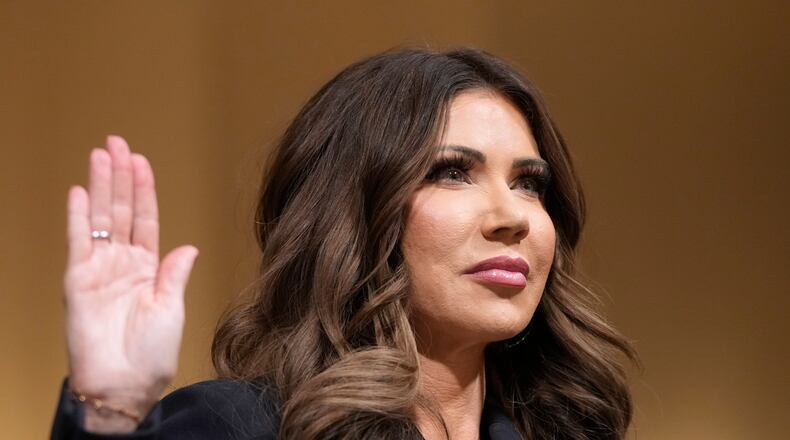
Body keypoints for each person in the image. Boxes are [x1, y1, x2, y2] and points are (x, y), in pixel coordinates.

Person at [51, 47, 636, 440]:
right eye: (452, 172)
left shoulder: (572, 430)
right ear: (353, 212)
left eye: (529, 184)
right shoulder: (238, 425)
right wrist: (109, 410)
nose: (512, 217)